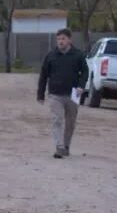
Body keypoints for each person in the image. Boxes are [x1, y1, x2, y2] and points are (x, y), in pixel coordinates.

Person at [38, 28, 89, 159]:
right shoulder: (51, 56)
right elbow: (43, 75)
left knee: (70, 122)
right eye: (58, 39)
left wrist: (81, 87)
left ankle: (66, 146)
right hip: (55, 94)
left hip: (73, 94)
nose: (60, 41)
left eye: (63, 39)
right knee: (57, 120)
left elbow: (85, 72)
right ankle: (59, 147)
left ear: (69, 40)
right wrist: (40, 94)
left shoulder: (78, 55)